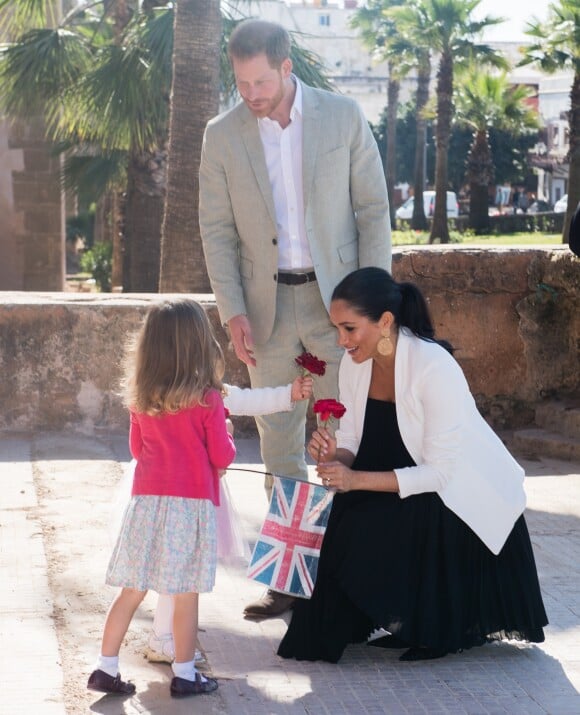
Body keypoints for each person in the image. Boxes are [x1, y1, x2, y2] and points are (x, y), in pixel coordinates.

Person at [199, 18, 391, 618]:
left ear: (287, 68)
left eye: (260, 81)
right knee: (281, 444)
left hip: (336, 307)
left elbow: (372, 211)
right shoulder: (221, 134)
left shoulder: (342, 116)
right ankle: (288, 577)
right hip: (265, 310)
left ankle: (344, 572)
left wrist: (371, 306)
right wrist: (232, 311)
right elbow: (217, 231)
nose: (250, 94)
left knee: (344, 440)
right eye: (241, 83)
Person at [278, 267, 548, 663]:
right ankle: (358, 624)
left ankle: (433, 626)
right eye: (337, 329)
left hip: (456, 498)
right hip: (400, 477)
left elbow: (440, 473)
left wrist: (355, 479)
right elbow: (351, 439)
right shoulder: (354, 364)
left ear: (385, 321)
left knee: (361, 518)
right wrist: (334, 455)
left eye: (349, 329)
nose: (341, 340)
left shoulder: (432, 365)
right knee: (336, 520)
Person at [87, 299, 236, 699]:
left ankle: (106, 667)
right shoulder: (208, 400)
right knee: (185, 593)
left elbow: (138, 450)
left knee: (131, 590)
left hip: (147, 506)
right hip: (190, 509)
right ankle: (185, 674)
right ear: (198, 345)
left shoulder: (142, 400)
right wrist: (229, 438)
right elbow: (221, 456)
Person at [145, 375, 314, 664]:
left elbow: (247, 400)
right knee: (180, 571)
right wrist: (226, 433)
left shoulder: (153, 390)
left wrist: (288, 393)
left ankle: (162, 635)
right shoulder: (206, 393)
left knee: (172, 569)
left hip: (155, 492)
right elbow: (223, 450)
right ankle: (162, 638)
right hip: (192, 496)